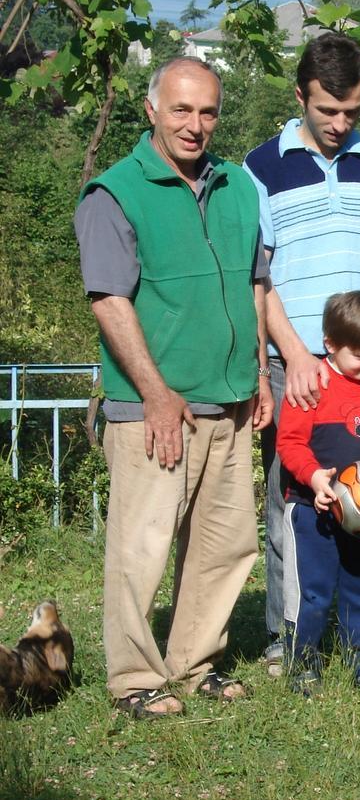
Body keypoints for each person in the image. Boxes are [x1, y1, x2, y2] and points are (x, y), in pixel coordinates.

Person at [74, 56, 273, 718]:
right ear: (152, 109)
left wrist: (261, 372)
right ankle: (133, 678)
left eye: (208, 111)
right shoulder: (116, 192)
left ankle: (195, 662)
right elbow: (109, 301)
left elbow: (255, 286)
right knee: (142, 545)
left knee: (225, 543)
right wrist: (156, 394)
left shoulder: (240, 187)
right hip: (154, 408)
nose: (196, 125)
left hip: (232, 398)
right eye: (182, 109)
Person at [243, 33, 360, 679]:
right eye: (328, 110)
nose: (340, 123)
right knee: (294, 507)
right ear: (301, 97)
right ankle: (286, 639)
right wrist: (293, 354)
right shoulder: (261, 167)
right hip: (297, 366)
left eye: (352, 111)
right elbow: (256, 274)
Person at [274, 291, 360, 695]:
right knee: (311, 592)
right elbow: (291, 444)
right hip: (312, 510)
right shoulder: (311, 384)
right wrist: (315, 478)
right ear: (330, 344)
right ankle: (302, 663)